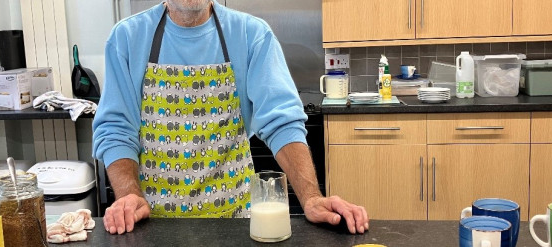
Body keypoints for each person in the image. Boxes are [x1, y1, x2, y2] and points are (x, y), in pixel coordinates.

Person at [92, 0, 369, 236]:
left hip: (237, 224)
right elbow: (116, 130)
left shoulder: (252, 35)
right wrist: (129, 195)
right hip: (153, 225)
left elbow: (282, 122)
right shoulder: (127, 38)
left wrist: (311, 198)